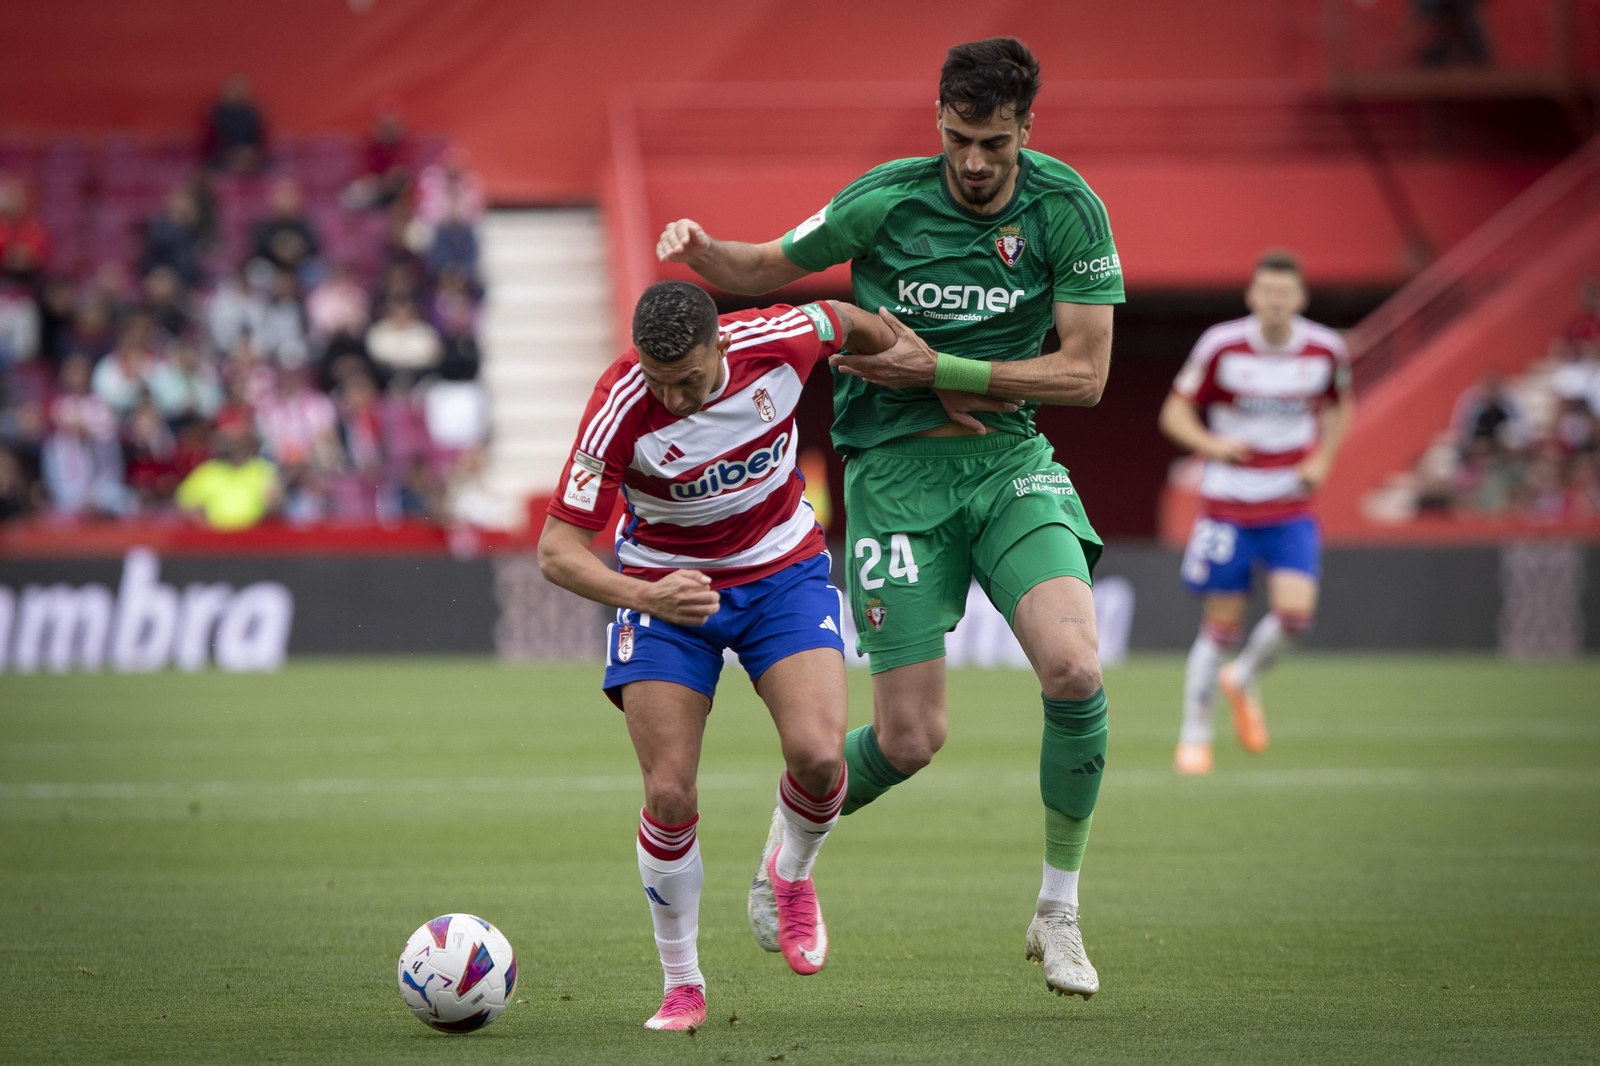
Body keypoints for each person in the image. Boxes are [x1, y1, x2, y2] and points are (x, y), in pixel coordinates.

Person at [657, 37, 1119, 999]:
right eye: (959, 139)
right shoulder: (886, 199)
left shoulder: (1068, 210)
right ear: (938, 125)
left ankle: (1060, 912)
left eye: (994, 141)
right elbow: (766, 267)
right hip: (894, 479)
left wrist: (940, 370)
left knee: (1076, 668)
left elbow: (1085, 372)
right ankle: (788, 854)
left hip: (1008, 462)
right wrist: (703, 253)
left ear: (1027, 128)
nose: (976, 161)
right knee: (910, 740)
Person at [536, 281, 900, 1030]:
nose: (672, 399)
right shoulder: (621, 404)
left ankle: (789, 873)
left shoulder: (782, 338)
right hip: (667, 597)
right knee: (669, 794)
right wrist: (647, 596)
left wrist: (914, 369)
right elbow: (556, 552)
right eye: (658, 380)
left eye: (690, 381)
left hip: (781, 573)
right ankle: (683, 984)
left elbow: (852, 323)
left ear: (722, 348)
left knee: (821, 758)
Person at [1159, 251, 1355, 776]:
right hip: (1229, 505)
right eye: (1266, 290)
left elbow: (1341, 405)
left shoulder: (1324, 349)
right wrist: (1212, 445)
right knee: (1220, 625)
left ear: (1300, 299)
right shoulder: (1222, 345)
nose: (1275, 300)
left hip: (1291, 503)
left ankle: (1242, 678)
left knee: (1295, 616)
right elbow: (1173, 413)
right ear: (1251, 296)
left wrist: (1323, 459)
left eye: (1284, 292)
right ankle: (1195, 738)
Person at [175, 425, 280, 530]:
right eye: (230, 444)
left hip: (255, 536)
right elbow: (184, 501)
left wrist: (272, 502)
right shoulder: (209, 470)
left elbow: (276, 502)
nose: (235, 449)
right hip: (217, 537)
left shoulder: (261, 469)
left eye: (239, 445)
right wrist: (204, 526)